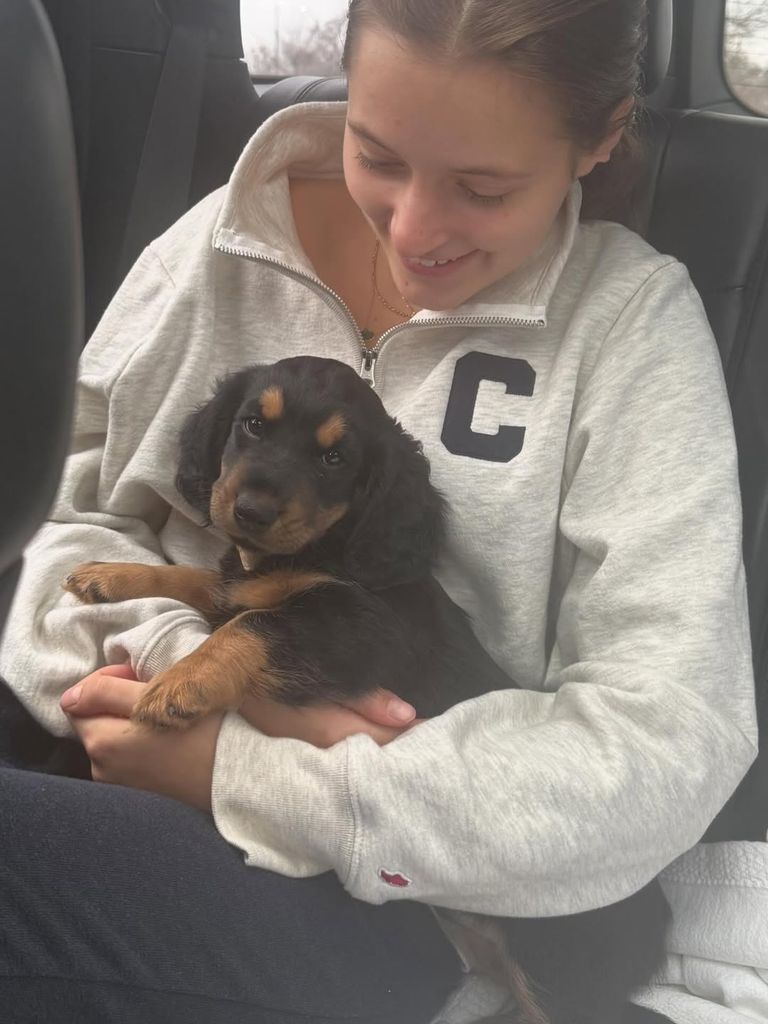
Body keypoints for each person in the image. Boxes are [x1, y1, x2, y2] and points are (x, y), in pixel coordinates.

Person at [0, 0, 757, 1022]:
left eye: (483, 188)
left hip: (413, 885)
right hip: (113, 735)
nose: (412, 229)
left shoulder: (629, 333)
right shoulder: (217, 244)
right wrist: (170, 676)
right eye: (376, 153)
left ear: (603, 136)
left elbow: (669, 739)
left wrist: (249, 773)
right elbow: (58, 507)